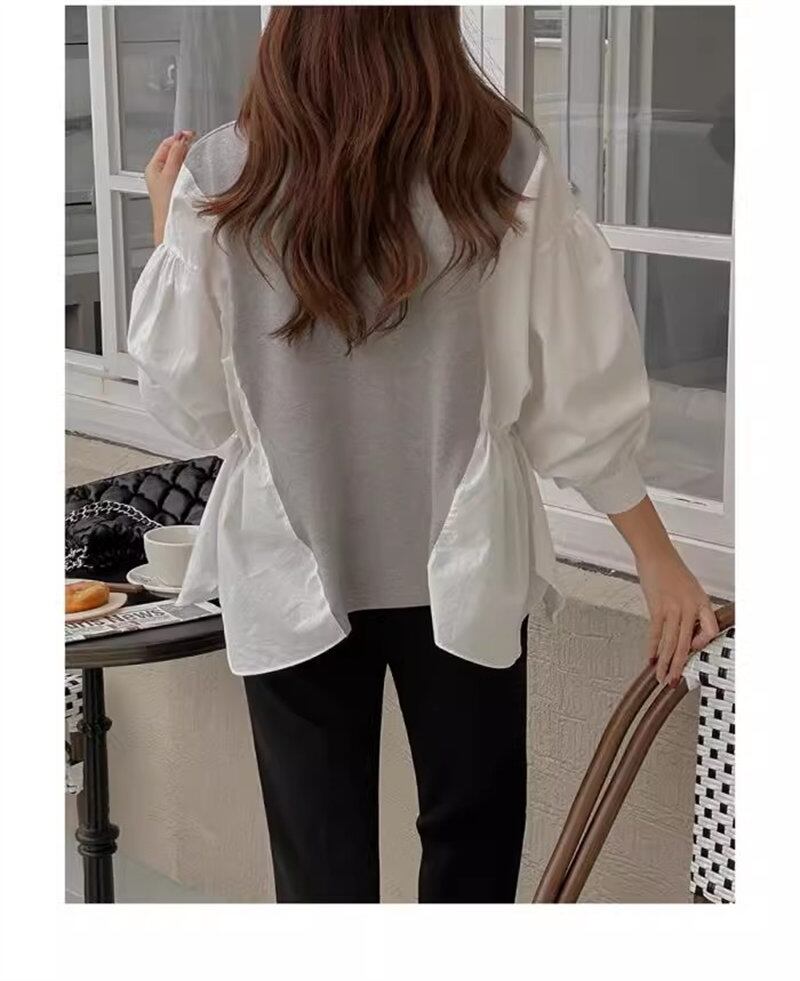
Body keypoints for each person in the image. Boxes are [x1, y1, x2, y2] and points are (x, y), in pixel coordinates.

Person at [128, 7, 718, 904]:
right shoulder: (504, 161)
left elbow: (190, 406)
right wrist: (654, 553)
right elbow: (575, 390)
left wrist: (170, 230)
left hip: (293, 566)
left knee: (320, 872)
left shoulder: (221, 174)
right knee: (474, 850)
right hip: (463, 565)